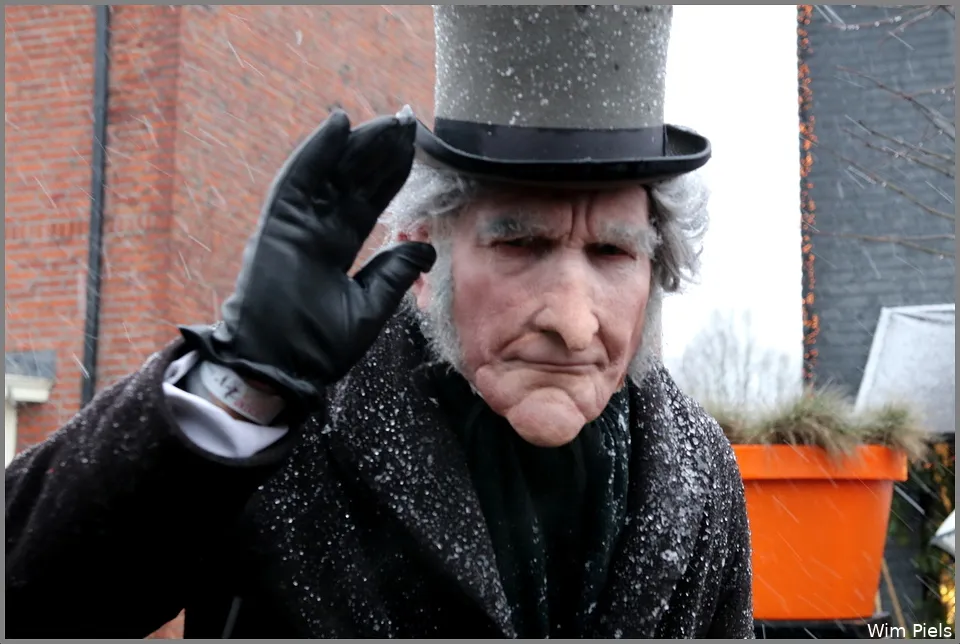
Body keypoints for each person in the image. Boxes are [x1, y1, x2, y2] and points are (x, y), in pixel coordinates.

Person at [6, 5, 753, 639]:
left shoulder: (699, 473)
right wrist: (243, 380)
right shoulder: (291, 426)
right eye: (519, 244)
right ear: (424, 255)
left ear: (656, 270)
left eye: (613, 252)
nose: (574, 323)